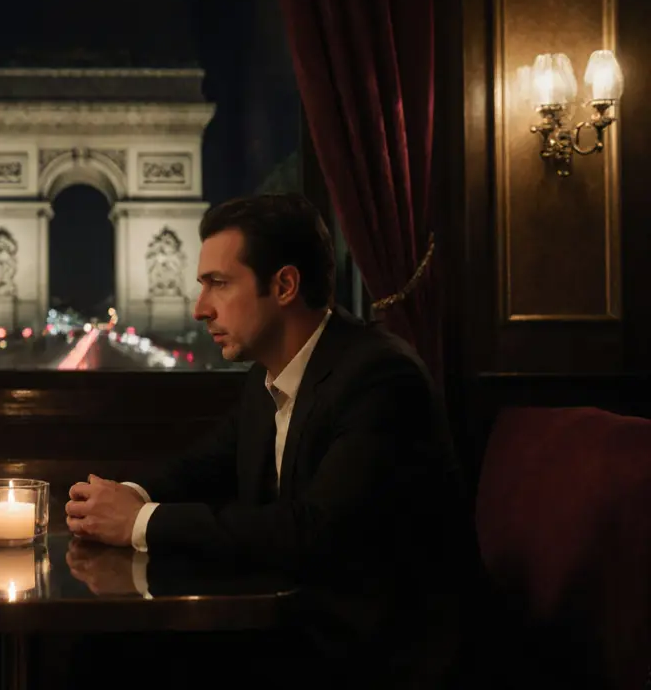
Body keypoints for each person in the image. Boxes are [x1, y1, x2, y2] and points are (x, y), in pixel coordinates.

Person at [64, 194, 473, 687]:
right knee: (96, 649)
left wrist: (138, 522)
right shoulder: (271, 377)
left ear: (284, 285)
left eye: (218, 283)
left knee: (106, 659)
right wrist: (126, 495)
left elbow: (313, 533)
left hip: (374, 654)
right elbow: (202, 466)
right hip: (299, 625)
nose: (199, 309)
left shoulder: (380, 377)